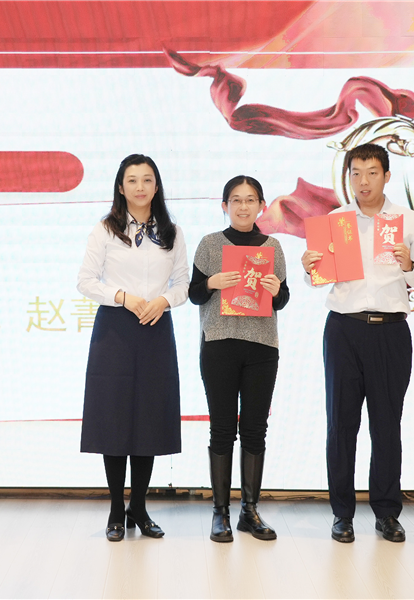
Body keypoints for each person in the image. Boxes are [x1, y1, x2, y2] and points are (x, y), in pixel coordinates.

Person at [301, 143, 414, 543]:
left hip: (391, 331)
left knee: (387, 425)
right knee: (341, 425)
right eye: (356, 173)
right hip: (344, 329)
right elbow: (318, 280)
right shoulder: (336, 221)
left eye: (372, 172)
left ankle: (387, 513)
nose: (363, 181)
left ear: (386, 176)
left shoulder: (409, 221)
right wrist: (309, 268)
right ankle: (342, 514)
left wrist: (408, 263)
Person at [77, 154, 190, 542]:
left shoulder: (172, 232)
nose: (140, 187)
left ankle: (138, 508)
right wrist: (123, 297)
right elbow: (86, 281)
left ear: (156, 187)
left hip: (156, 329)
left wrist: (164, 301)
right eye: (132, 180)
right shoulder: (105, 230)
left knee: (148, 421)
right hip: (115, 330)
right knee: (114, 420)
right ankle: (115, 509)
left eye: (147, 180)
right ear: (121, 187)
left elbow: (183, 284)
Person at [189, 175, 289, 543]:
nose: (243, 206)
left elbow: (282, 299)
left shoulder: (273, 247)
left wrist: (276, 291)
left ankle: (250, 510)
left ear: (261, 205)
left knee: (255, 429)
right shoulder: (210, 244)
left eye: (250, 200)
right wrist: (212, 283)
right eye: (236, 200)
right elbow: (194, 294)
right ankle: (220, 512)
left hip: (262, 347)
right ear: (224, 206)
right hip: (219, 345)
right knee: (221, 429)